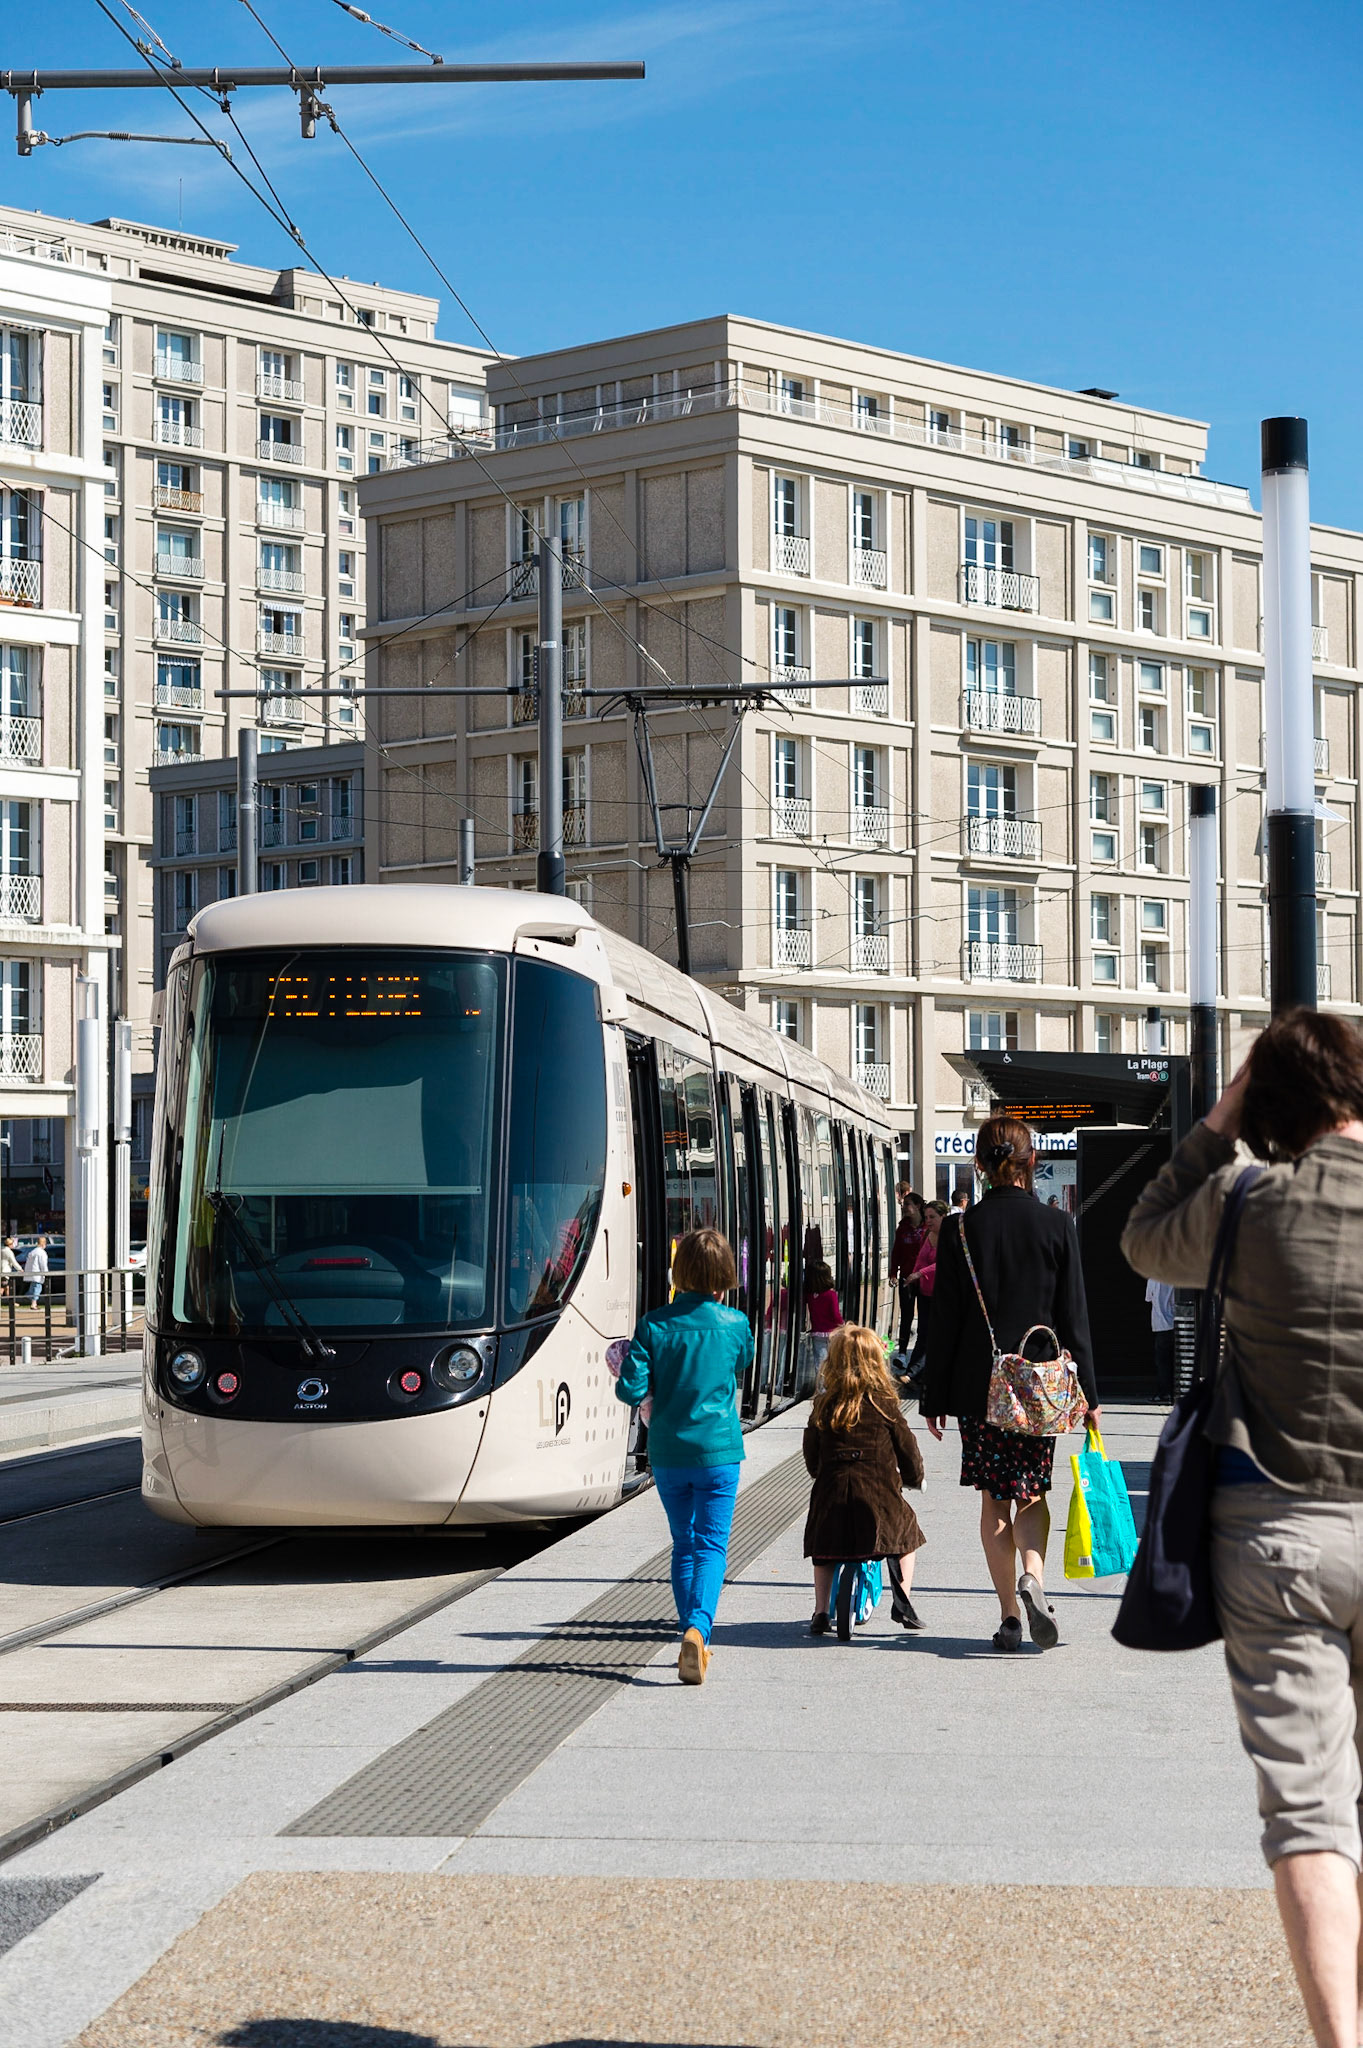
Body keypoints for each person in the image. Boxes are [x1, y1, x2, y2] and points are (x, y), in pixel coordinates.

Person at [1120, 1008, 1363, 2048]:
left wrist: (1218, 1120)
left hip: (1276, 1536)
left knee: (1308, 1812)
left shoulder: (1241, 1199)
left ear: (1267, 1104)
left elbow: (1139, 1236)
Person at [922, 1117, 1098, 1652]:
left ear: (978, 1164)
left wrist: (933, 1396)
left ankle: (1009, 1618)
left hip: (980, 1390)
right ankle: (1033, 1577)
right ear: (1031, 1162)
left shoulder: (959, 1230)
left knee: (994, 1501)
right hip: (1038, 1388)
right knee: (1033, 1492)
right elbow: (1076, 1316)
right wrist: (1089, 1395)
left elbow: (944, 1320)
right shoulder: (1057, 1225)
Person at [616, 1227, 753, 1687]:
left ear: (679, 1272)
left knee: (685, 1542)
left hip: (669, 1452)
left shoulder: (653, 1325)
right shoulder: (735, 1324)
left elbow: (630, 1389)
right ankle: (698, 1630)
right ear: (725, 1274)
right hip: (718, 1452)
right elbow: (741, 1361)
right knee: (712, 1545)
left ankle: (687, 1632)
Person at [803, 1322, 926, 1636]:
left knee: (823, 1551)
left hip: (831, 1495)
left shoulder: (823, 1405)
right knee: (906, 1535)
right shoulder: (885, 1406)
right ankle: (903, 1601)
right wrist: (914, 1477)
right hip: (878, 1497)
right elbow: (907, 1449)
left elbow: (811, 1454)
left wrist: (819, 1472)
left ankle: (820, 1611)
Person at [904, 1200, 948, 1387]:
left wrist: (920, 1273)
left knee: (935, 1336)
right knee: (924, 1334)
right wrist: (913, 1277)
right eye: (926, 1217)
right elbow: (921, 1260)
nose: (928, 1221)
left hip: (942, 1294)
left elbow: (944, 1262)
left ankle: (913, 1374)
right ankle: (916, 1374)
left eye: (932, 1217)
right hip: (925, 1293)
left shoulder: (949, 1237)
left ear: (943, 1217)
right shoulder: (928, 1235)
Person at [889, 1187, 925, 1355]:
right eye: (903, 1204)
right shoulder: (902, 1228)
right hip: (906, 1277)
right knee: (906, 1316)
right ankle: (902, 1353)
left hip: (925, 1278)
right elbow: (896, 1252)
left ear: (917, 1206)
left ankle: (921, 1353)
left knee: (924, 1317)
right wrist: (893, 1273)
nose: (904, 1207)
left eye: (907, 1204)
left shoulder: (927, 1227)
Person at [803, 1257, 842, 1368]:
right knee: (834, 1362)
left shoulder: (810, 1295)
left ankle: (821, 1379)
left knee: (820, 1363)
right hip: (832, 1333)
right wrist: (843, 1325)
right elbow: (835, 1315)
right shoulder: (831, 1295)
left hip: (817, 1333)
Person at [1144, 1275, 1176, 1404]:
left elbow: (1148, 1298)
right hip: (1174, 1321)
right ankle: (1174, 1391)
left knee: (1162, 1362)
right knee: (1174, 1360)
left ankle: (1164, 1392)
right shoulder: (1173, 1279)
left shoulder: (1152, 1280)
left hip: (1160, 1325)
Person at [23, 1234, 48, 1309]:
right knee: (37, 1288)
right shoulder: (42, 1252)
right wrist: (46, 1273)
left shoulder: (33, 1251)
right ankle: (33, 1304)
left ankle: (28, 1296)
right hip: (38, 1274)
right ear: (43, 1243)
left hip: (32, 1273)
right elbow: (43, 1264)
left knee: (33, 1287)